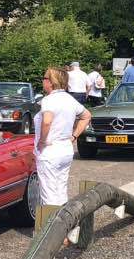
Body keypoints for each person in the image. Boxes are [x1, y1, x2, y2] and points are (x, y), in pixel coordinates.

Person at [34, 66, 92, 207]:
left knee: (49, 195)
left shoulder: (49, 100)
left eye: (44, 78)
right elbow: (87, 116)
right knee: (61, 190)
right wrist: (74, 136)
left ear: (51, 82)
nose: (43, 81)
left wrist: (42, 141)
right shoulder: (69, 99)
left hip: (50, 151)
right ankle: (64, 219)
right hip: (65, 148)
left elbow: (47, 121)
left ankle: (51, 221)